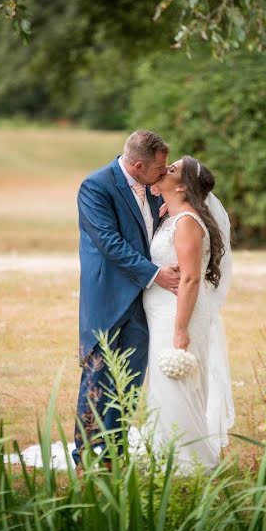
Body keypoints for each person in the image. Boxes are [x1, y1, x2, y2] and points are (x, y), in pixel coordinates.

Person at [73, 130, 180, 465]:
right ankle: (86, 456)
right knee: (98, 374)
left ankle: (115, 454)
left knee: (129, 380)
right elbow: (109, 242)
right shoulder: (96, 187)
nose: (164, 173)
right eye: (159, 168)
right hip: (109, 295)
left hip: (145, 300)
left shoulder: (153, 190)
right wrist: (155, 274)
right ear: (137, 166)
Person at [143, 156, 234, 471]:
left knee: (177, 386)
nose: (163, 170)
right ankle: (164, 452)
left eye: (172, 169)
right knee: (164, 386)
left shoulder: (187, 223)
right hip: (162, 314)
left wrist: (180, 329)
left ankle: (189, 462)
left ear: (182, 185)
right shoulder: (175, 217)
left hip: (176, 316)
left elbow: (192, 278)